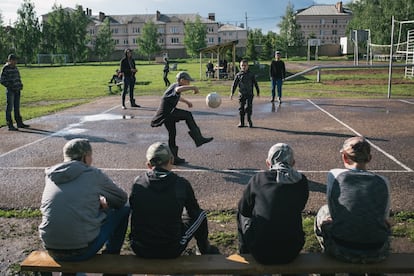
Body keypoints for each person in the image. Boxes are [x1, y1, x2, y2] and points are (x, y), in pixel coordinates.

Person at [38, 138, 129, 275]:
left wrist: (93, 203)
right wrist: (103, 204)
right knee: (125, 208)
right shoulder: (92, 174)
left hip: (51, 248)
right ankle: (112, 255)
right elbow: (121, 199)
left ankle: (71, 272)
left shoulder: (51, 175)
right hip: (82, 250)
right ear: (85, 157)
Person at [129, 142, 219, 258]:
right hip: (171, 249)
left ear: (148, 165)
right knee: (200, 215)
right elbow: (194, 212)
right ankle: (204, 249)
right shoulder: (181, 184)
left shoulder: (138, 182)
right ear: (171, 160)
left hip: (139, 247)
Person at [314, 136, 391, 269]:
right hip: (377, 251)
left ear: (344, 157)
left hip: (341, 250)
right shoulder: (383, 181)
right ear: (369, 158)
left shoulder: (335, 175)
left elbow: (333, 211)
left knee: (324, 211)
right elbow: (384, 218)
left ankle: (326, 254)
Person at [238, 143, 309, 265]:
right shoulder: (301, 180)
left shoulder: (258, 179)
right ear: (293, 163)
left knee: (240, 214)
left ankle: (244, 251)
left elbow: (244, 210)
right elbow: (300, 206)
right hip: (291, 251)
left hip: (259, 251)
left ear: (268, 163)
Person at [151, 71, 213, 165]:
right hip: (168, 113)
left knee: (172, 133)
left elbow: (177, 96)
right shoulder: (176, 86)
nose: (189, 83)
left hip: (166, 115)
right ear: (182, 80)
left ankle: (173, 158)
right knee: (188, 115)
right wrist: (193, 87)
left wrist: (186, 102)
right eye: (188, 81)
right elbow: (178, 90)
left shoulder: (174, 86)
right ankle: (198, 138)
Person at [1, 54, 30, 131]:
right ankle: (10, 124)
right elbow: (2, 80)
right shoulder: (6, 68)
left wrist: (20, 84)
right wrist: (10, 86)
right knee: (9, 107)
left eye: (16, 60)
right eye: (14, 60)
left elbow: (18, 77)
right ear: (10, 60)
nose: (16, 62)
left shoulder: (15, 67)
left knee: (17, 107)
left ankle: (19, 123)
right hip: (11, 91)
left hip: (17, 90)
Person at [230, 59, 260, 128]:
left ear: (248, 66)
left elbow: (255, 83)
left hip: (249, 94)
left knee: (249, 107)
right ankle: (242, 122)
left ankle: (249, 121)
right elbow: (234, 84)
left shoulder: (251, 74)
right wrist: (232, 93)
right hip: (241, 94)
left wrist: (258, 92)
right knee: (241, 108)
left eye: (245, 65)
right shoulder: (238, 75)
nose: (243, 67)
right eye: (242, 65)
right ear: (240, 66)